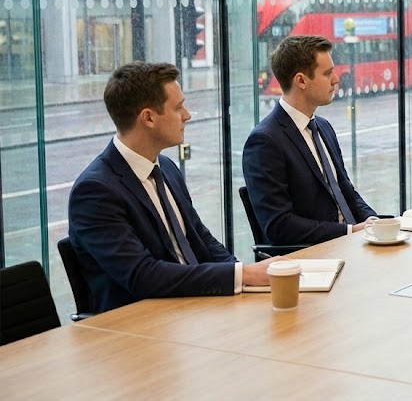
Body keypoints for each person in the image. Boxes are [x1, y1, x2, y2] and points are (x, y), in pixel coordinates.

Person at [69, 62, 276, 313]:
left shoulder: (166, 167)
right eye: (178, 107)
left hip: (193, 308)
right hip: (143, 324)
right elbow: (142, 276)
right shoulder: (95, 191)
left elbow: (201, 238)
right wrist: (242, 275)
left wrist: (247, 279)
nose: (187, 115)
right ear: (148, 118)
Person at [243, 35, 377, 246]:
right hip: (317, 257)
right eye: (327, 73)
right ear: (301, 81)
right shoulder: (265, 141)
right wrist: (349, 231)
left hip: (352, 244)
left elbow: (347, 192)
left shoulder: (323, 127)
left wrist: (376, 223)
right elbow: (279, 225)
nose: (336, 79)